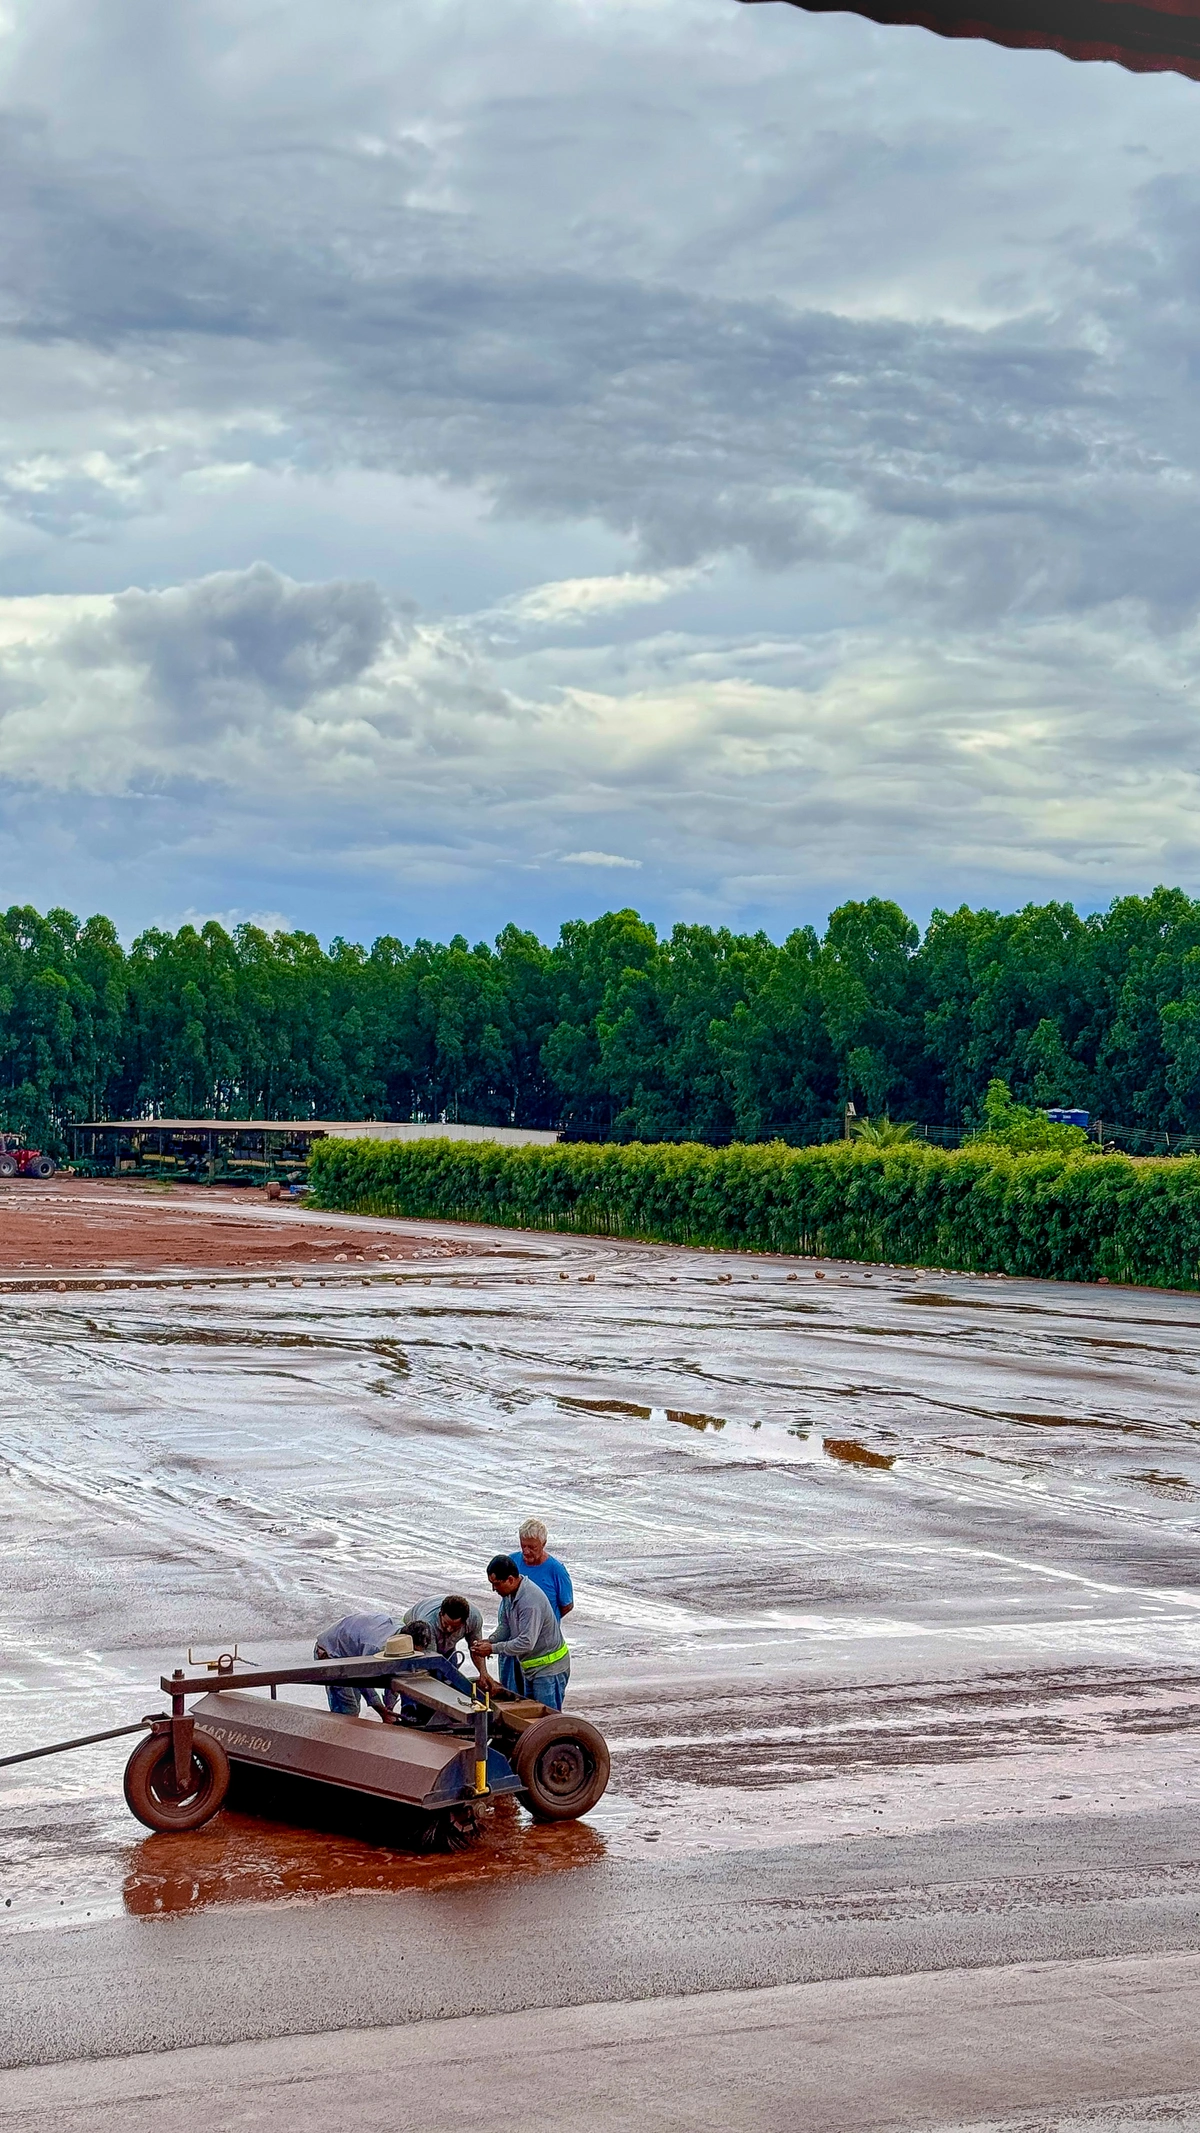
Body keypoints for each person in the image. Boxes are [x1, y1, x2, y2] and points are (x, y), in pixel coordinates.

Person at [471, 1554, 570, 1711]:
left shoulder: (530, 1602)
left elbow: (526, 1642)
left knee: (547, 1720)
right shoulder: (509, 1595)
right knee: (530, 1716)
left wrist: (492, 1649)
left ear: (510, 1579)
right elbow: (506, 1627)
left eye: (496, 1584)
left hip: (549, 1671)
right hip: (531, 1669)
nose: (494, 1589)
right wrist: (490, 1641)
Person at [498, 1518, 573, 1692]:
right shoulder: (512, 1562)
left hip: (541, 1650)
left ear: (543, 1544)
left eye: (532, 1547)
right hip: (511, 1643)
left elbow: (567, 1605)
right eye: (523, 1545)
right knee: (510, 1695)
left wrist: (539, 1621)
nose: (526, 1551)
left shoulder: (556, 1570)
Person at [313, 1607, 429, 1718]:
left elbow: (396, 1672)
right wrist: (382, 1711)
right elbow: (362, 1680)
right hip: (332, 1651)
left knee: (354, 1704)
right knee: (349, 1710)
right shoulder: (376, 1649)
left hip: (353, 1647)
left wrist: (389, 1707)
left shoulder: (402, 1639)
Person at [403, 1594, 483, 1669]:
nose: (449, 1629)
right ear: (440, 1614)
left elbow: (477, 1649)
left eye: (455, 1627)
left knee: (452, 1671)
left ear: (465, 1622)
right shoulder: (427, 1624)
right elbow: (431, 1659)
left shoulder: (474, 1619)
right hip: (416, 1633)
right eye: (446, 1623)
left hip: (447, 1646)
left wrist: (483, 1673)